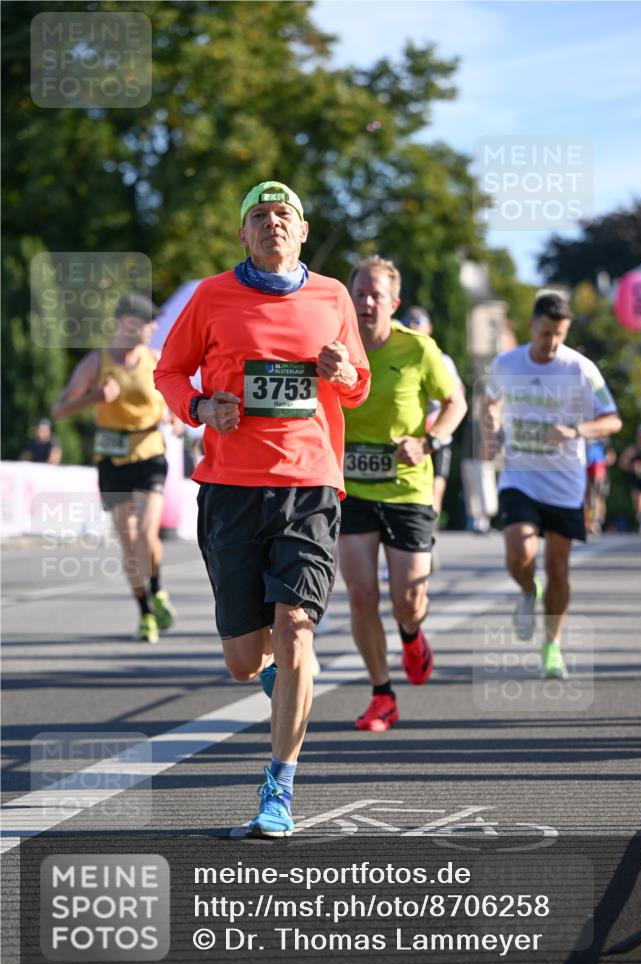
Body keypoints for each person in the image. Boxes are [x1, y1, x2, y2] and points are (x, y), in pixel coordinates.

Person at [154, 180, 370, 837]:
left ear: (301, 231)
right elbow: (168, 372)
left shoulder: (333, 296)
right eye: (259, 217)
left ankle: (278, 788)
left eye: (284, 216)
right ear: (243, 235)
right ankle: (282, 681)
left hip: (308, 484)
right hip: (230, 488)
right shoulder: (211, 296)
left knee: (296, 628)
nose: (273, 224)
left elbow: (356, 385)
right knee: (244, 660)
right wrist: (198, 408)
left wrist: (341, 374)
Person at [339, 256, 467, 732]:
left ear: (393, 303)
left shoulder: (418, 349)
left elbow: (456, 401)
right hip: (351, 486)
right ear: (348, 299)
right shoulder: (334, 348)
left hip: (408, 486)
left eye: (376, 295)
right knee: (361, 594)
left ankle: (412, 636)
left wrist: (430, 440)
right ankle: (381, 694)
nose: (367, 302)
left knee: (408, 598)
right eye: (360, 293)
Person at [483, 293, 622, 679]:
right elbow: (490, 401)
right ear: (532, 326)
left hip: (564, 483)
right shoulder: (506, 363)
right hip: (520, 476)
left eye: (559, 335)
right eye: (546, 334)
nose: (552, 344)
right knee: (518, 552)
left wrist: (577, 430)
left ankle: (551, 646)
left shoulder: (581, 369)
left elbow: (612, 420)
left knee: (558, 567)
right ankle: (529, 590)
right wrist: (491, 428)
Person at [51, 292, 178, 644]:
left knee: (147, 534)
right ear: (127, 323)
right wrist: (93, 397)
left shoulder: (156, 359)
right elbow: (58, 409)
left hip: (150, 453)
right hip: (111, 459)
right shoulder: (96, 363)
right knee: (129, 539)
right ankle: (146, 612)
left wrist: (176, 417)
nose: (154, 327)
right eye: (148, 321)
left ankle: (158, 588)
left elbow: (175, 398)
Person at [402, 306, 463, 536]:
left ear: (429, 329)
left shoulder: (443, 360)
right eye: (411, 325)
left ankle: (428, 538)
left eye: (419, 325)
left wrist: (440, 426)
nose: (415, 329)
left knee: (435, 490)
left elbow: (457, 395)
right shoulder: (397, 355)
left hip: (437, 435)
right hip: (410, 434)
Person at [584, 438, 616, 534]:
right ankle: (589, 521)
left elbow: (611, 455)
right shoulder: (584, 435)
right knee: (588, 497)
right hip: (585, 467)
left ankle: (597, 520)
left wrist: (604, 462)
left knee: (598, 496)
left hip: (599, 467)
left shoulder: (603, 438)